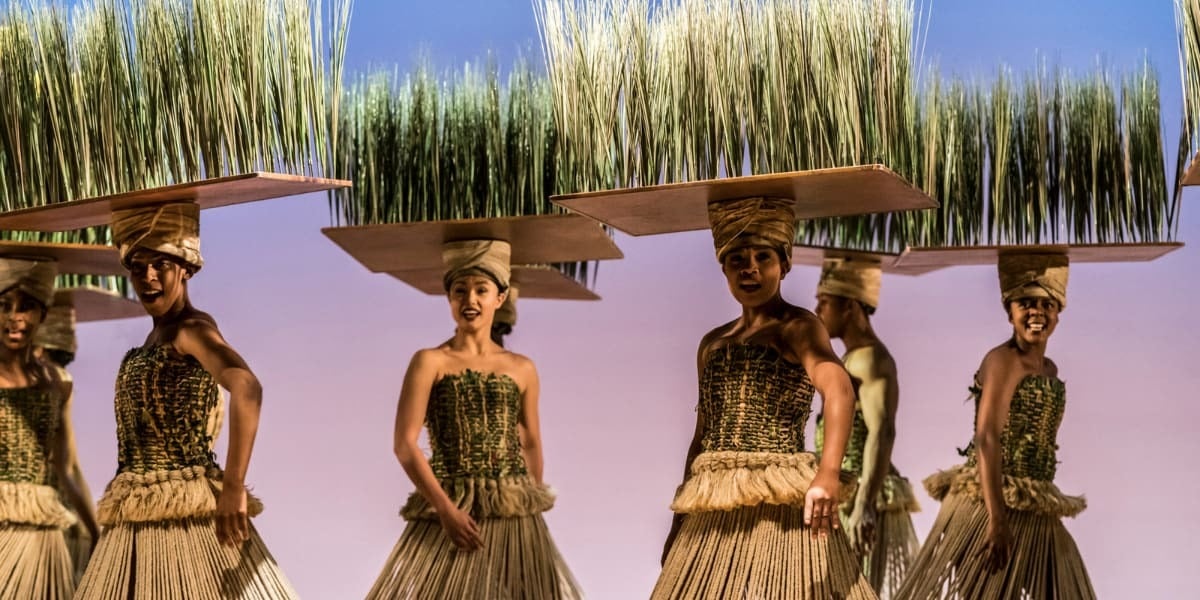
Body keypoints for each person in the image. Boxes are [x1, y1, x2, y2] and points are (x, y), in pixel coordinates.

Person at [654, 197, 877, 599]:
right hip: (713, 504)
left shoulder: (797, 327)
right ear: (723, 267)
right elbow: (701, 436)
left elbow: (839, 387)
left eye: (762, 256)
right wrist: (678, 525)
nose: (750, 268)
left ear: (784, 265)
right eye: (737, 258)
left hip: (778, 500)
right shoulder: (712, 344)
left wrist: (827, 474)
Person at [74, 202, 298, 599]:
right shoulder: (158, 336)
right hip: (137, 519)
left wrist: (233, 486)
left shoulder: (190, 330)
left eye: (161, 264)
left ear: (186, 267)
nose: (148, 277)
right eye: (138, 267)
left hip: (184, 518)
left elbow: (247, 386)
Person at [367, 239, 581, 599]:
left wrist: (531, 501)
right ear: (448, 299)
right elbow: (404, 445)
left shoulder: (522, 368)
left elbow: (529, 440)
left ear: (499, 297)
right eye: (459, 291)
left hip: (514, 511)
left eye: (481, 290)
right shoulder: (429, 362)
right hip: (452, 508)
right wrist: (445, 510)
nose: (470, 300)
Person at [895, 251, 1094, 599]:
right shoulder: (1003, 361)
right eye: (1025, 304)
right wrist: (997, 519)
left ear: (1059, 312)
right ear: (1009, 312)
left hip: (1033, 503)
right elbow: (987, 437)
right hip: (991, 503)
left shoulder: (1050, 370)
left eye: (1046, 304)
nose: (1036, 313)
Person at [813, 258, 920, 598]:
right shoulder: (850, 359)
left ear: (851, 306)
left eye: (825, 302)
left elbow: (882, 430)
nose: (817, 310)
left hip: (859, 499)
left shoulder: (871, 359)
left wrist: (864, 503)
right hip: (842, 498)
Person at [0, 255, 99, 597]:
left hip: (44, 536)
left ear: (42, 313)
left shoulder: (58, 384)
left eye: (26, 306)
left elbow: (67, 466)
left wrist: (98, 534)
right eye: (4, 305)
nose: (15, 317)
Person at [33, 291, 100, 583]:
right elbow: (69, 464)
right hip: (57, 509)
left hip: (39, 509)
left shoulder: (50, 381)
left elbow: (67, 463)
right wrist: (95, 529)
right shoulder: (59, 380)